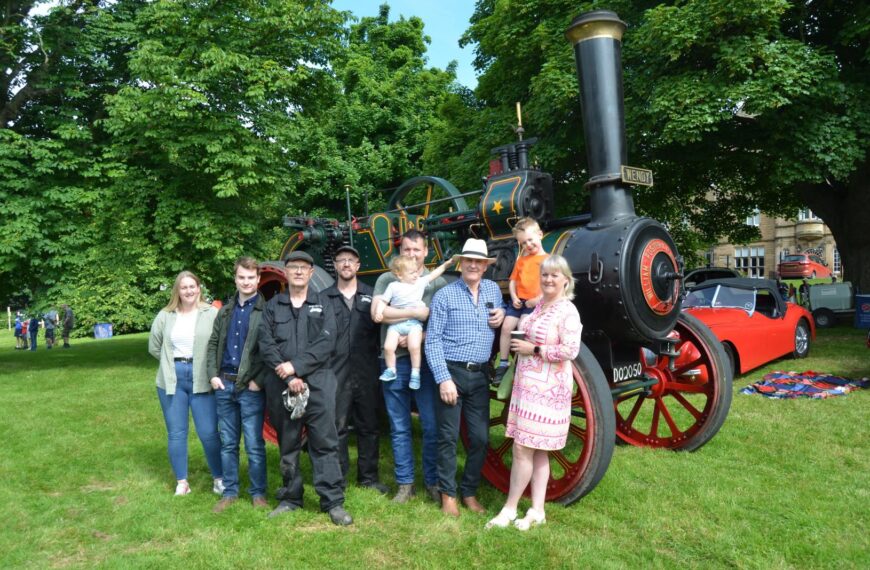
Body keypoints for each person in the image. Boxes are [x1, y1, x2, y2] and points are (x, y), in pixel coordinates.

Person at [486, 254, 581, 531]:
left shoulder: (567, 312)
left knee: (522, 448)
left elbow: (570, 350)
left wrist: (534, 349)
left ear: (566, 280)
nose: (548, 280)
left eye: (554, 275)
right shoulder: (540, 306)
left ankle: (510, 508)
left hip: (548, 391)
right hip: (527, 387)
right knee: (539, 451)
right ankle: (537, 510)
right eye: (545, 275)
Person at [259, 251, 352, 526]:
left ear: (312, 273)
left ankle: (332, 502)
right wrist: (288, 376)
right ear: (285, 273)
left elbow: (327, 342)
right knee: (288, 444)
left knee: (325, 442)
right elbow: (266, 345)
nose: (298, 271)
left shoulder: (325, 305)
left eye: (304, 267)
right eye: (293, 267)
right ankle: (290, 497)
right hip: (282, 383)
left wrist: (296, 367)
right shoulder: (273, 307)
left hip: (319, 382)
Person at [425, 238, 505, 517]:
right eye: (468, 260)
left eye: (478, 261)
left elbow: (500, 314)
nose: (473, 265)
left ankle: (468, 491)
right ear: (460, 264)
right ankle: (448, 494)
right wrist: (443, 378)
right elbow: (432, 341)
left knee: (481, 438)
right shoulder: (445, 295)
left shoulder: (493, 290)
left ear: (485, 266)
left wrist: (502, 314)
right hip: (453, 373)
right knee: (447, 437)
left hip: (480, 375)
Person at [371, 229, 448, 504]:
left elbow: (438, 321)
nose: (412, 255)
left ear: (426, 252)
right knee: (399, 426)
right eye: (407, 250)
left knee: (430, 425)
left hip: (424, 363)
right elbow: (377, 314)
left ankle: (432, 481)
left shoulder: (435, 284)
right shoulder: (386, 278)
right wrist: (413, 313)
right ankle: (405, 484)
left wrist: (419, 334)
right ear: (400, 251)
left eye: (417, 250)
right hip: (393, 362)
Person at [148, 271, 223, 496]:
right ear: (177, 291)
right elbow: (154, 347)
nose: (189, 291)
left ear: (199, 288)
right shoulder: (165, 315)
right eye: (184, 287)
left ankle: (219, 478)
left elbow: (220, 344)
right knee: (176, 433)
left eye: (193, 286)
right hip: (172, 380)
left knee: (209, 432)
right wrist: (171, 364)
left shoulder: (211, 313)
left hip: (202, 377)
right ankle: (182, 482)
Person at [323, 245, 388, 494]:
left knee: (369, 426)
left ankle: (368, 478)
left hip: (367, 370)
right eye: (341, 260)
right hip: (335, 372)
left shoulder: (373, 297)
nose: (347, 264)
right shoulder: (323, 297)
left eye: (351, 260)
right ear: (336, 266)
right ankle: (337, 477)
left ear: (358, 266)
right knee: (337, 427)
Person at [207, 257, 268, 513]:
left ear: (258, 280)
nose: (246, 282)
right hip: (224, 384)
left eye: (251, 278)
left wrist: (259, 381)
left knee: (254, 444)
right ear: (236, 279)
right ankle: (230, 492)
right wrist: (213, 375)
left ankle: (258, 493)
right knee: (228, 443)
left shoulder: (266, 311)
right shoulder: (225, 311)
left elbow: (269, 351)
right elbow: (212, 344)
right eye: (242, 277)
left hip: (250, 387)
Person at [373, 254, 457, 389]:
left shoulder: (419, 282)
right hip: (396, 325)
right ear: (400, 275)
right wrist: (378, 312)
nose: (416, 275)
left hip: (413, 324)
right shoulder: (393, 286)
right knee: (388, 347)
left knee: (414, 346)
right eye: (411, 272)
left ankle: (415, 373)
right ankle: (391, 370)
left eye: (416, 271)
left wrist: (447, 264)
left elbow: (434, 274)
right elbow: (383, 301)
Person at [494, 217, 548, 386]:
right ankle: (503, 362)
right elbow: (513, 282)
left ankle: (521, 362)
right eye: (523, 243)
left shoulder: (548, 260)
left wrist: (537, 300)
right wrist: (515, 297)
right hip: (518, 302)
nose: (528, 245)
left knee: (523, 327)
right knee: (507, 327)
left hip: (535, 303)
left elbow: (550, 286)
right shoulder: (521, 261)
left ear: (540, 234)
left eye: (530, 240)